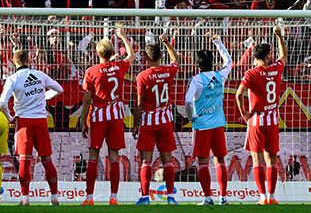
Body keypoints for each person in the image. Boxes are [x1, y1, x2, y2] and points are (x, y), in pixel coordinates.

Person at [79, 27, 137, 206]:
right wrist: (123, 37)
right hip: (116, 116)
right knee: (114, 157)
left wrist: (83, 121)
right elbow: (132, 56)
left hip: (98, 117)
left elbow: (87, 99)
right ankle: (114, 197)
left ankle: (89, 198)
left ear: (97, 53)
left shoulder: (91, 71)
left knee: (93, 156)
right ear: (113, 52)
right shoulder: (119, 67)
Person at [0, 49, 64, 206]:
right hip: (41, 121)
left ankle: (25, 199)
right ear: (29, 60)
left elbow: (2, 102)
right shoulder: (40, 74)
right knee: (47, 160)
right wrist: (44, 97)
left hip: (24, 122)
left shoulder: (13, 79)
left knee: (24, 161)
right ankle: (54, 197)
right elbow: (59, 89)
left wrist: (9, 118)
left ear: (14, 62)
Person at [235, 26, 288, 205]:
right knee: (271, 158)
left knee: (257, 158)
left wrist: (243, 113)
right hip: (273, 119)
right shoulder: (276, 69)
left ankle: (262, 197)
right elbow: (284, 56)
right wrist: (280, 36)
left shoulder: (250, 73)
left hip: (256, 120)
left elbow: (238, 93)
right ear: (267, 56)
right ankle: (272, 197)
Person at [184, 33, 233, 205]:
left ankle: (207, 198)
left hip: (202, 126)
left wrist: (192, 117)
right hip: (218, 124)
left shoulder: (196, 80)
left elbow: (188, 100)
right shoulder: (221, 76)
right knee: (220, 160)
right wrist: (219, 43)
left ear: (197, 65)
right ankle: (223, 197)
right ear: (212, 62)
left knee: (203, 162)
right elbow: (229, 62)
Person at [133, 34, 181, 206]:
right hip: (165, 120)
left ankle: (145, 197)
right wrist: (167, 43)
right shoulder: (168, 71)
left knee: (146, 160)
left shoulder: (142, 76)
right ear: (161, 56)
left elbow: (139, 104)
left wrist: (135, 125)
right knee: (167, 159)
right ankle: (170, 197)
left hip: (148, 121)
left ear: (146, 58)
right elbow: (176, 60)